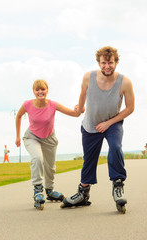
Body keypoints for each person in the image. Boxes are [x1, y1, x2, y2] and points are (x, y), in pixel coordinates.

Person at [62, 46, 135, 211]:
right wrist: (80, 108)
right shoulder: (89, 77)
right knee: (89, 159)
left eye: (110, 62)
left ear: (116, 62)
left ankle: (118, 185)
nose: (107, 66)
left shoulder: (125, 82)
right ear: (99, 63)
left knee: (115, 147)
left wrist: (109, 123)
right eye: (104, 63)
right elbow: (82, 93)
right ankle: (82, 193)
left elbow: (130, 108)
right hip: (90, 124)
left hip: (112, 123)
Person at [15, 79, 82, 209]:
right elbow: (18, 116)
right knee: (37, 158)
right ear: (34, 92)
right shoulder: (27, 104)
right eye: (37, 90)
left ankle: (50, 191)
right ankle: (38, 190)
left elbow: (74, 114)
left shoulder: (53, 105)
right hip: (32, 137)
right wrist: (17, 136)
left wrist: (80, 108)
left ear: (47, 91)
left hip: (49, 138)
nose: (40, 92)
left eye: (43, 89)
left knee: (50, 167)